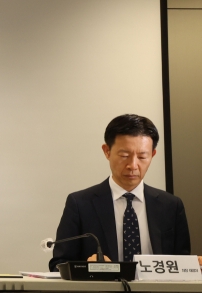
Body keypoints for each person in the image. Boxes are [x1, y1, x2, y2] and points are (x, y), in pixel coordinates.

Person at [49, 114, 191, 271]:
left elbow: (182, 265)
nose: (133, 165)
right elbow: (58, 266)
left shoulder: (171, 206)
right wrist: (87, 268)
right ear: (107, 151)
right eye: (124, 156)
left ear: (153, 155)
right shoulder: (80, 204)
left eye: (143, 156)